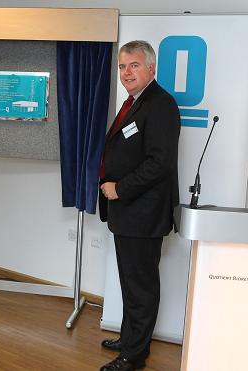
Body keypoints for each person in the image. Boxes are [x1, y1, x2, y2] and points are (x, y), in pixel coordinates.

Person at [98, 40, 180, 371]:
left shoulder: (160, 104)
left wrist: (121, 188)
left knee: (141, 287)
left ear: (151, 68)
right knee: (131, 282)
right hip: (129, 214)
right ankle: (131, 338)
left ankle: (134, 356)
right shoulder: (135, 102)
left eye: (134, 65)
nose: (126, 72)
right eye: (122, 66)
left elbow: (160, 163)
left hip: (143, 213)